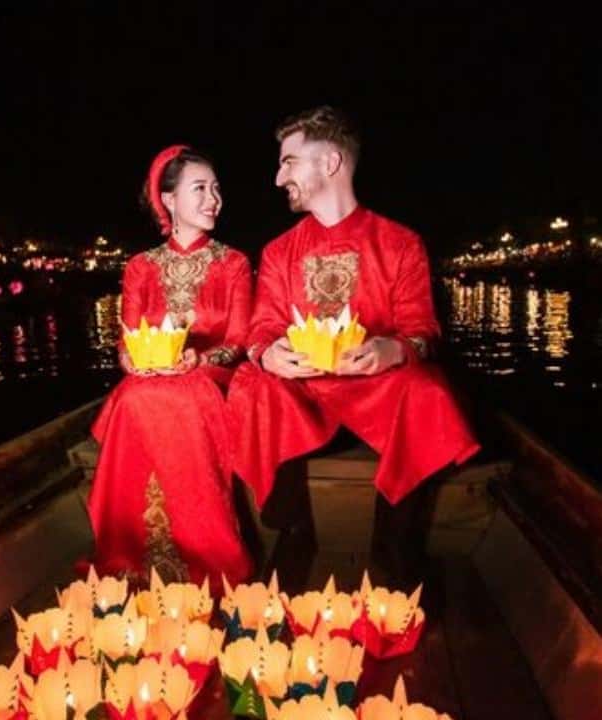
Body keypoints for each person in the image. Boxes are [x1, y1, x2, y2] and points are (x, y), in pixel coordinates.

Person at [227, 106, 480, 581]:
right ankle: (291, 530)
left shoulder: (401, 242)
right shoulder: (279, 251)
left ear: (330, 163)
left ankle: (396, 546)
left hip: (374, 390)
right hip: (304, 393)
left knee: (426, 390)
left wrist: (393, 350)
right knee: (254, 383)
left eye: (288, 162)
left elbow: (423, 329)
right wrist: (268, 353)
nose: (279, 178)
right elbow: (261, 329)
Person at [86, 145, 254, 590]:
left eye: (216, 188)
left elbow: (238, 342)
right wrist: (128, 358)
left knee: (179, 395)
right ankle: (130, 557)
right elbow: (128, 337)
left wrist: (200, 358)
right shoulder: (141, 266)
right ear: (169, 199)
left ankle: (209, 561)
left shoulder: (233, 263)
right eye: (200, 188)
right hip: (153, 377)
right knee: (135, 395)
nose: (214, 199)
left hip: (211, 375)